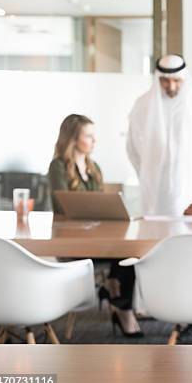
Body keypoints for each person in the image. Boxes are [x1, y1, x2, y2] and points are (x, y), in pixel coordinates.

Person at [48, 114, 143, 338]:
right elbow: (63, 207)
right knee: (122, 257)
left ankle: (121, 303)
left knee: (130, 253)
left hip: (96, 239)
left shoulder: (94, 167)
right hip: (71, 243)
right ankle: (116, 297)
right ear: (73, 139)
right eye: (89, 136)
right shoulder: (58, 167)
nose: (94, 140)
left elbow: (99, 206)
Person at [127, 54, 192, 216]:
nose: (171, 86)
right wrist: (149, 174)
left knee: (188, 236)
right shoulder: (142, 105)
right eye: (165, 80)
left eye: (176, 80)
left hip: (188, 188)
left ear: (184, 79)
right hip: (154, 190)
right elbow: (133, 148)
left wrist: (186, 171)